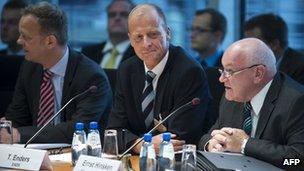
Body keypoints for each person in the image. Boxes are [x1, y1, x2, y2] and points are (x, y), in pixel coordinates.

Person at [1, 2, 112, 144]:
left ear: (50, 42)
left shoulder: (92, 78)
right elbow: (17, 117)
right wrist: (6, 128)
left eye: (26, 37)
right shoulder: (30, 67)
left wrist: (18, 135)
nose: (19, 41)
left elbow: (78, 130)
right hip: (33, 155)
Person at [107, 3, 211, 154]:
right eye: (138, 37)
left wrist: (135, 143)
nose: (146, 43)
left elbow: (180, 139)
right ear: (130, 40)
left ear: (167, 32)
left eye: (153, 34)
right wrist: (142, 145)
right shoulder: (127, 69)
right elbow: (113, 132)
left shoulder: (189, 72)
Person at [198, 38, 304, 170]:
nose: (221, 79)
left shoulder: (296, 101)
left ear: (258, 73)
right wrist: (212, 144)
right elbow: (208, 136)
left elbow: (298, 160)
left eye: (229, 71)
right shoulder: (232, 96)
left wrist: (245, 144)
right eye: (222, 70)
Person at [244, 13, 304, 84]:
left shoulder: (300, 68)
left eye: (254, 44)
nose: (247, 49)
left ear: (275, 44)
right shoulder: (247, 64)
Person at [82, 0, 136, 69]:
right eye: (112, 15)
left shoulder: (140, 55)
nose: (117, 18)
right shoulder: (87, 53)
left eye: (124, 14)